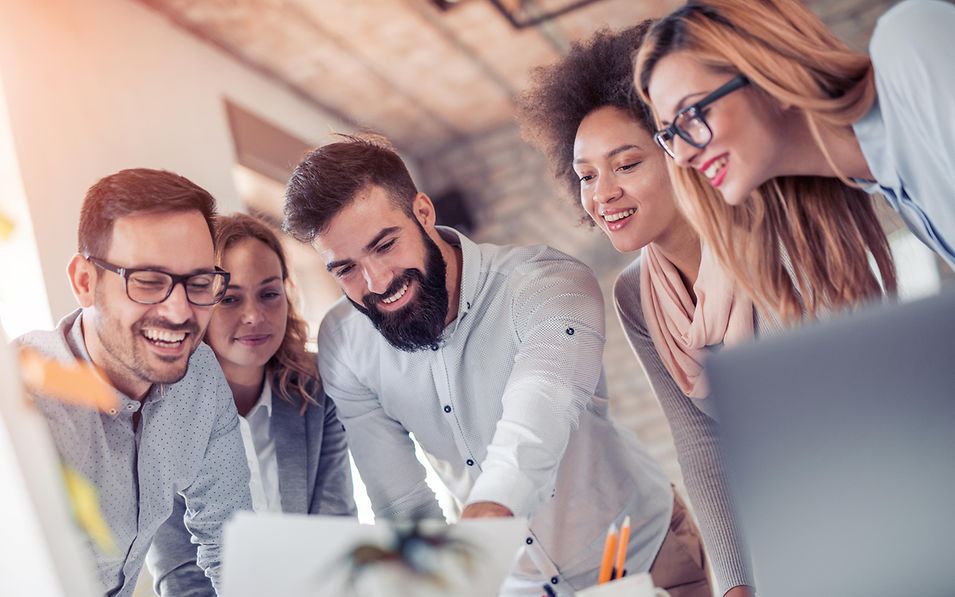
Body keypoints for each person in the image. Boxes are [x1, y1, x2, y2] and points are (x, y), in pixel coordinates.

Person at [282, 134, 700, 596]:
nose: (376, 282)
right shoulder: (345, 343)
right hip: (517, 586)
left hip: (640, 558)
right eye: (345, 269)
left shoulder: (548, 283)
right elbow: (402, 502)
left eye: (384, 246)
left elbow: (538, 414)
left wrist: (488, 514)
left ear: (423, 212)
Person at [518, 24, 756, 597]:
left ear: (680, 149)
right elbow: (701, 445)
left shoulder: (764, 244)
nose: (602, 195)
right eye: (586, 176)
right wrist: (736, 585)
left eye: (626, 164)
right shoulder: (634, 294)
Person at [15, 168, 252, 596]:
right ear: (85, 282)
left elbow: (232, 543)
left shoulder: (199, 376)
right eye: (148, 282)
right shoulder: (21, 398)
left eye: (199, 283)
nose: (180, 312)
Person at [633, 0, 917, 322]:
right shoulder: (889, 186)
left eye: (691, 115)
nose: (683, 156)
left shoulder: (911, 44)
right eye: (671, 134)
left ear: (771, 75)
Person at [147, 213, 356, 595]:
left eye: (269, 293)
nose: (254, 316)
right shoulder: (161, 416)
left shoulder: (313, 393)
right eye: (229, 298)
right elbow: (179, 573)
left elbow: (336, 534)